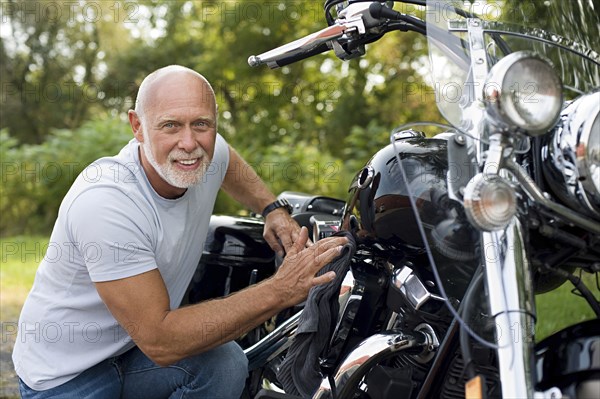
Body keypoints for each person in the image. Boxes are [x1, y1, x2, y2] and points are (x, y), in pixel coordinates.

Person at [13, 65, 348, 398]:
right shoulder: (106, 202)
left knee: (226, 363)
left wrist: (271, 209)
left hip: (131, 353)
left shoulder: (206, 151)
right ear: (137, 127)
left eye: (201, 124)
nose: (189, 143)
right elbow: (161, 340)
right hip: (68, 377)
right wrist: (281, 290)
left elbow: (227, 159)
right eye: (170, 125)